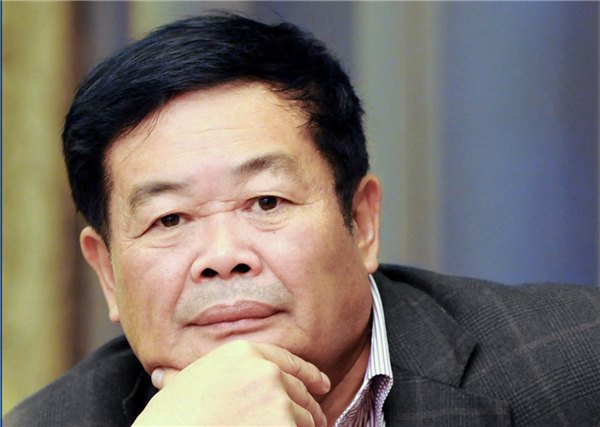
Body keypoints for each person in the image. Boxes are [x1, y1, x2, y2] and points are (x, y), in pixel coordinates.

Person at [4, 12, 600, 427]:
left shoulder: (578, 368)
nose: (223, 256)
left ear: (361, 222)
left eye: (266, 202)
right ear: (108, 273)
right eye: (169, 219)